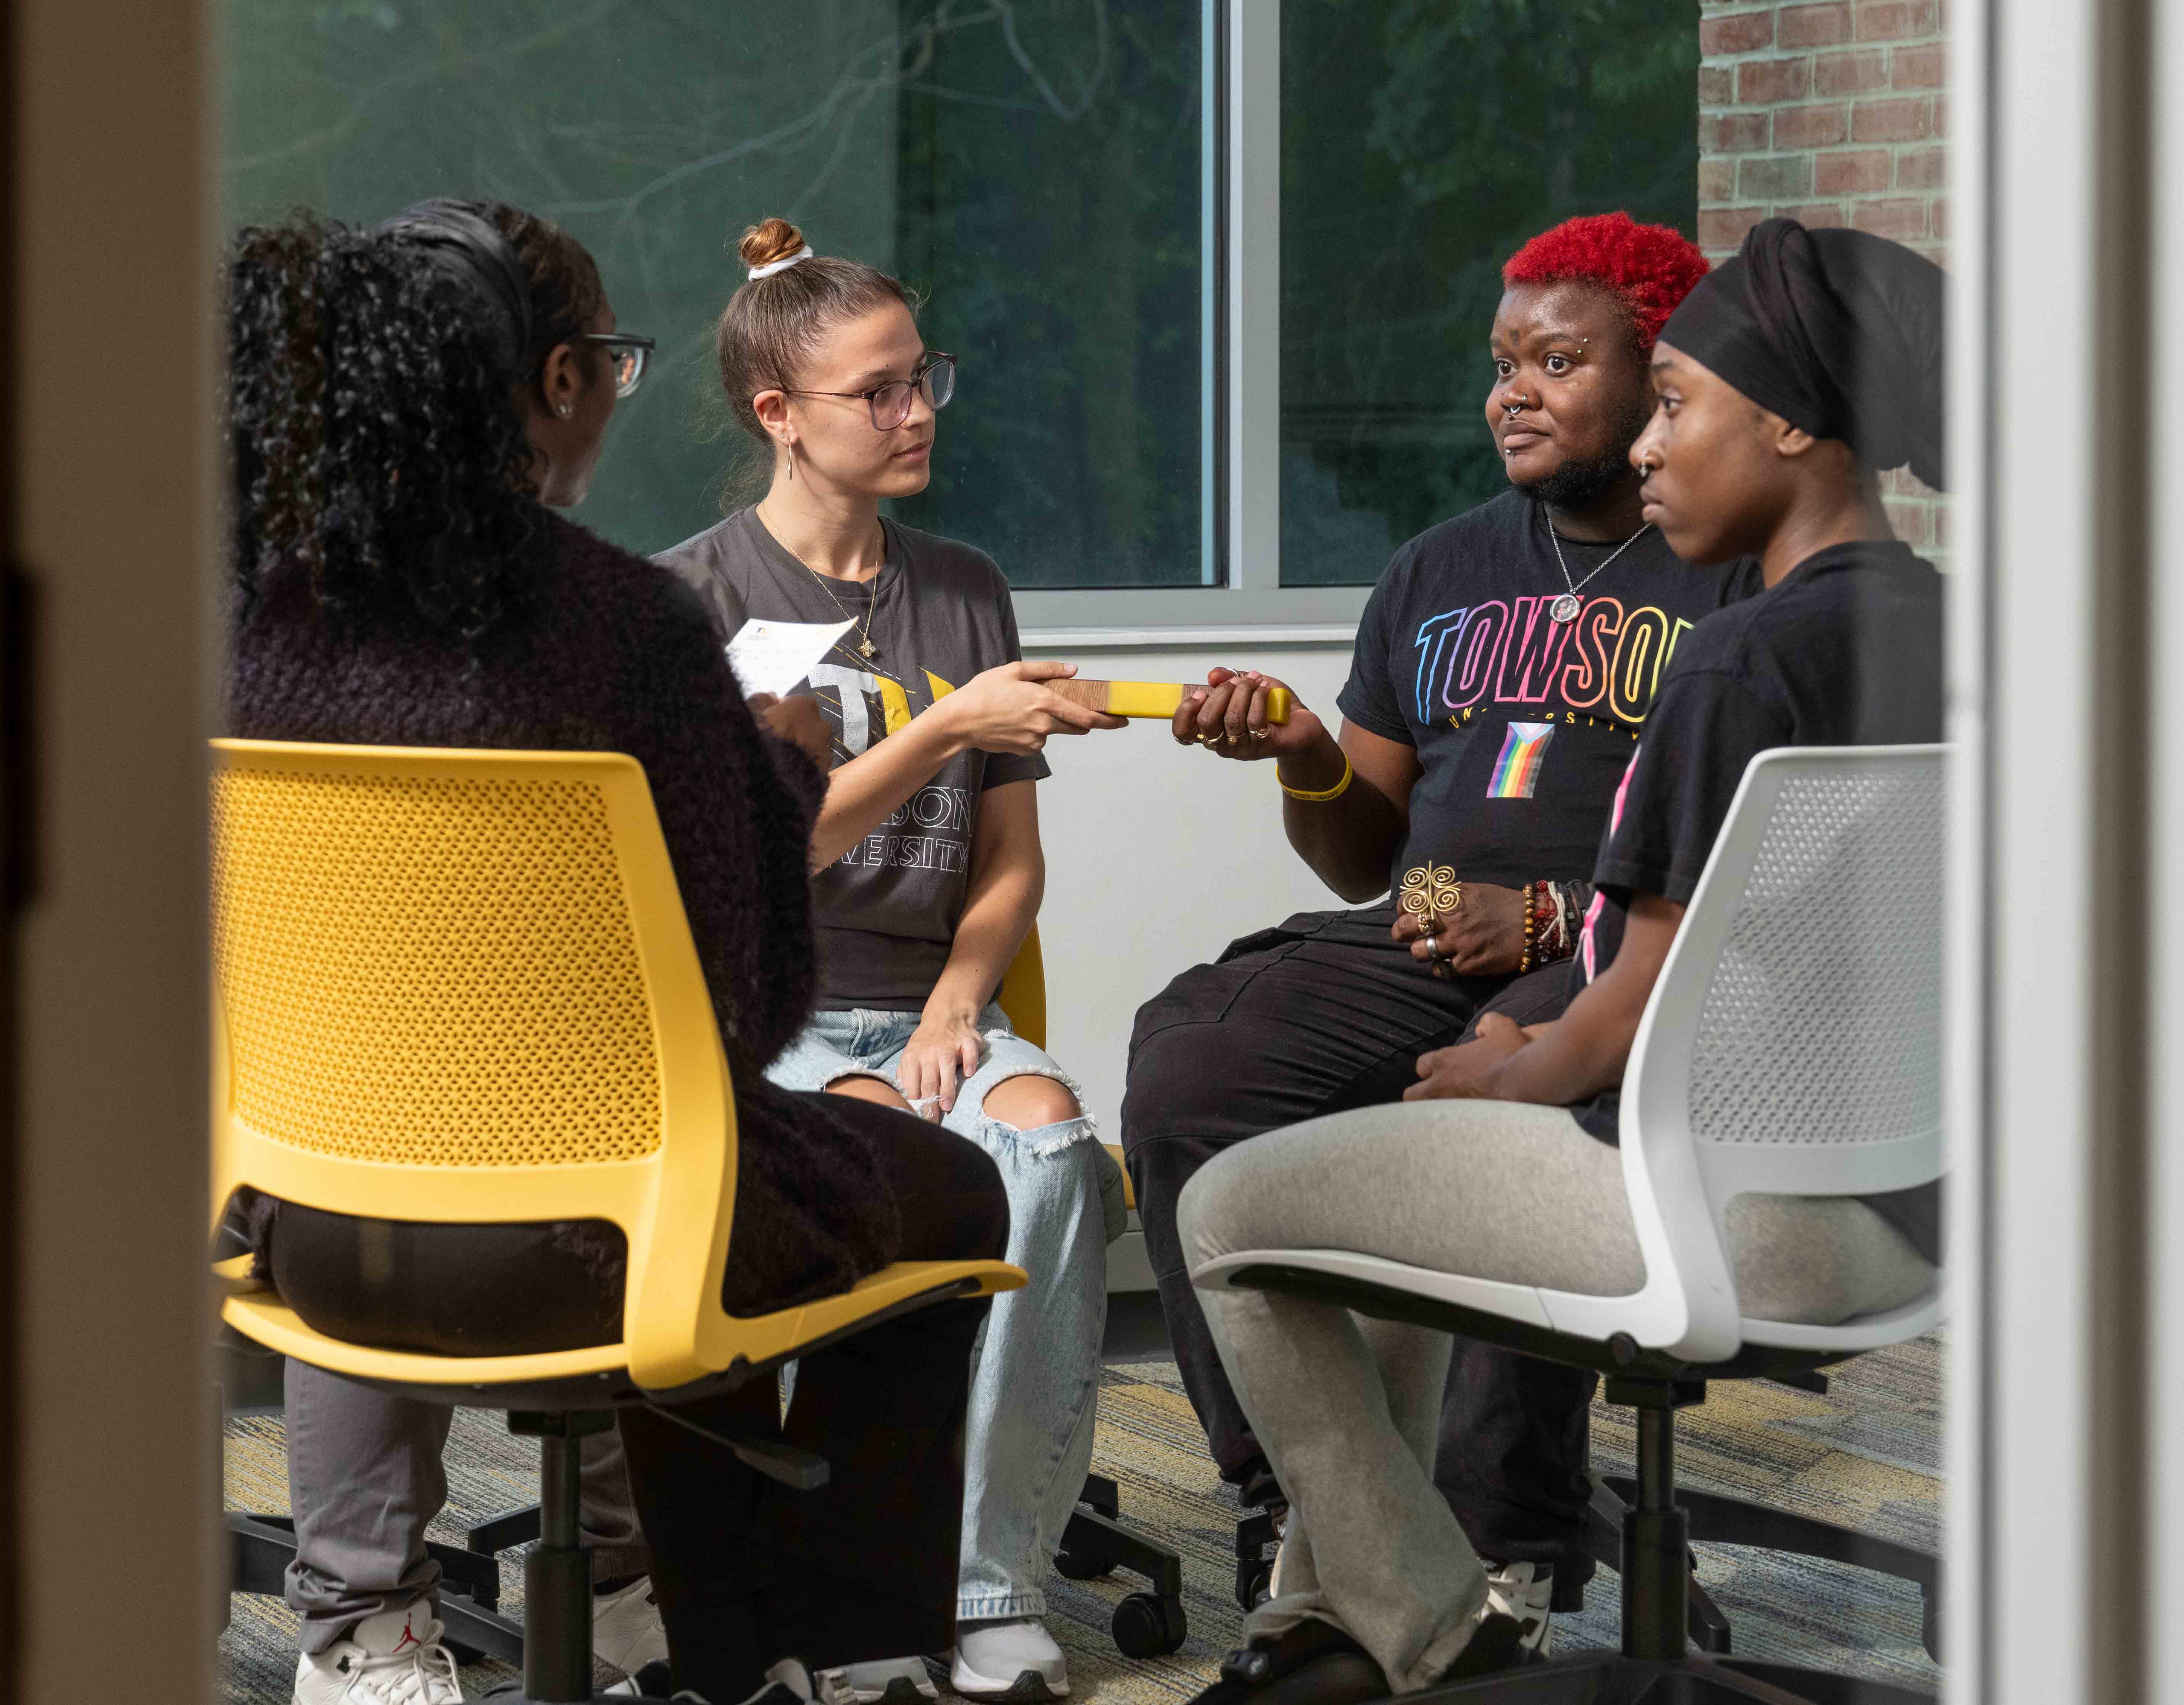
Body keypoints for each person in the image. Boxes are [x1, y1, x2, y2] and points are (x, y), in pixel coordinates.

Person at [224, 198, 1011, 1705]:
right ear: (564, 383)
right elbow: (750, 1007)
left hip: (310, 1239)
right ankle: (812, 1661)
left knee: (712, 1167)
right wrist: (775, 770)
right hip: (584, 1252)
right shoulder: (624, 629)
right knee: (941, 1189)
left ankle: (374, 1639)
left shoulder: (251, 617)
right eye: (614, 362)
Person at [1174, 217, 1951, 1704]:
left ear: (1787, 423)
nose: (1655, 451)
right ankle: (1338, 1602)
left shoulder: (1734, 660)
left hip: (1713, 1208)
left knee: (1232, 1208)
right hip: (1898, 1211)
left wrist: (1513, 1070)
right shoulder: (1946, 628)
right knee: (1383, 1156)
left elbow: (1642, 998)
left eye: (1679, 405)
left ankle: (1432, 1628)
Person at [1118, 213, 1746, 1640]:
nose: (1511, 392)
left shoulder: (1728, 569)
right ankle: (1309, 1500)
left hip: (1611, 956)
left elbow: (1746, 867)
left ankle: (1503, 1538)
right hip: (1422, 926)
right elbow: (1362, 858)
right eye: (1502, 362)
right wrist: (1297, 754)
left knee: (1507, 1082)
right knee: (1191, 1068)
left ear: (1662, 376)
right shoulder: (1436, 568)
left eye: (1559, 360)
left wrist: (1542, 915)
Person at [657, 217, 1131, 1705]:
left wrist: (952, 1010)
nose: (917, 411)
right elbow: (744, 860)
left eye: (926, 378)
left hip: (923, 1008)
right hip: (759, 1025)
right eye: (880, 390)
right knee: (891, 1166)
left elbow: (1009, 864)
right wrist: (938, 725)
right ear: (776, 413)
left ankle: (988, 1582)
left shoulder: (963, 585)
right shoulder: (694, 600)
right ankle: (849, 1574)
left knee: (1050, 1154)